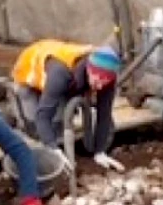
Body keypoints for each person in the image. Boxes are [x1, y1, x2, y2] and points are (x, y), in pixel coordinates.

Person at [11, 39, 124, 171]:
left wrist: (100, 152)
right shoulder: (60, 74)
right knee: (36, 127)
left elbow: (104, 114)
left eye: (104, 81)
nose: (99, 86)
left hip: (63, 76)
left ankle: (56, 142)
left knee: (59, 125)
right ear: (89, 68)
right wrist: (53, 149)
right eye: (97, 79)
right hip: (28, 74)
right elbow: (42, 116)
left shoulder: (107, 76)